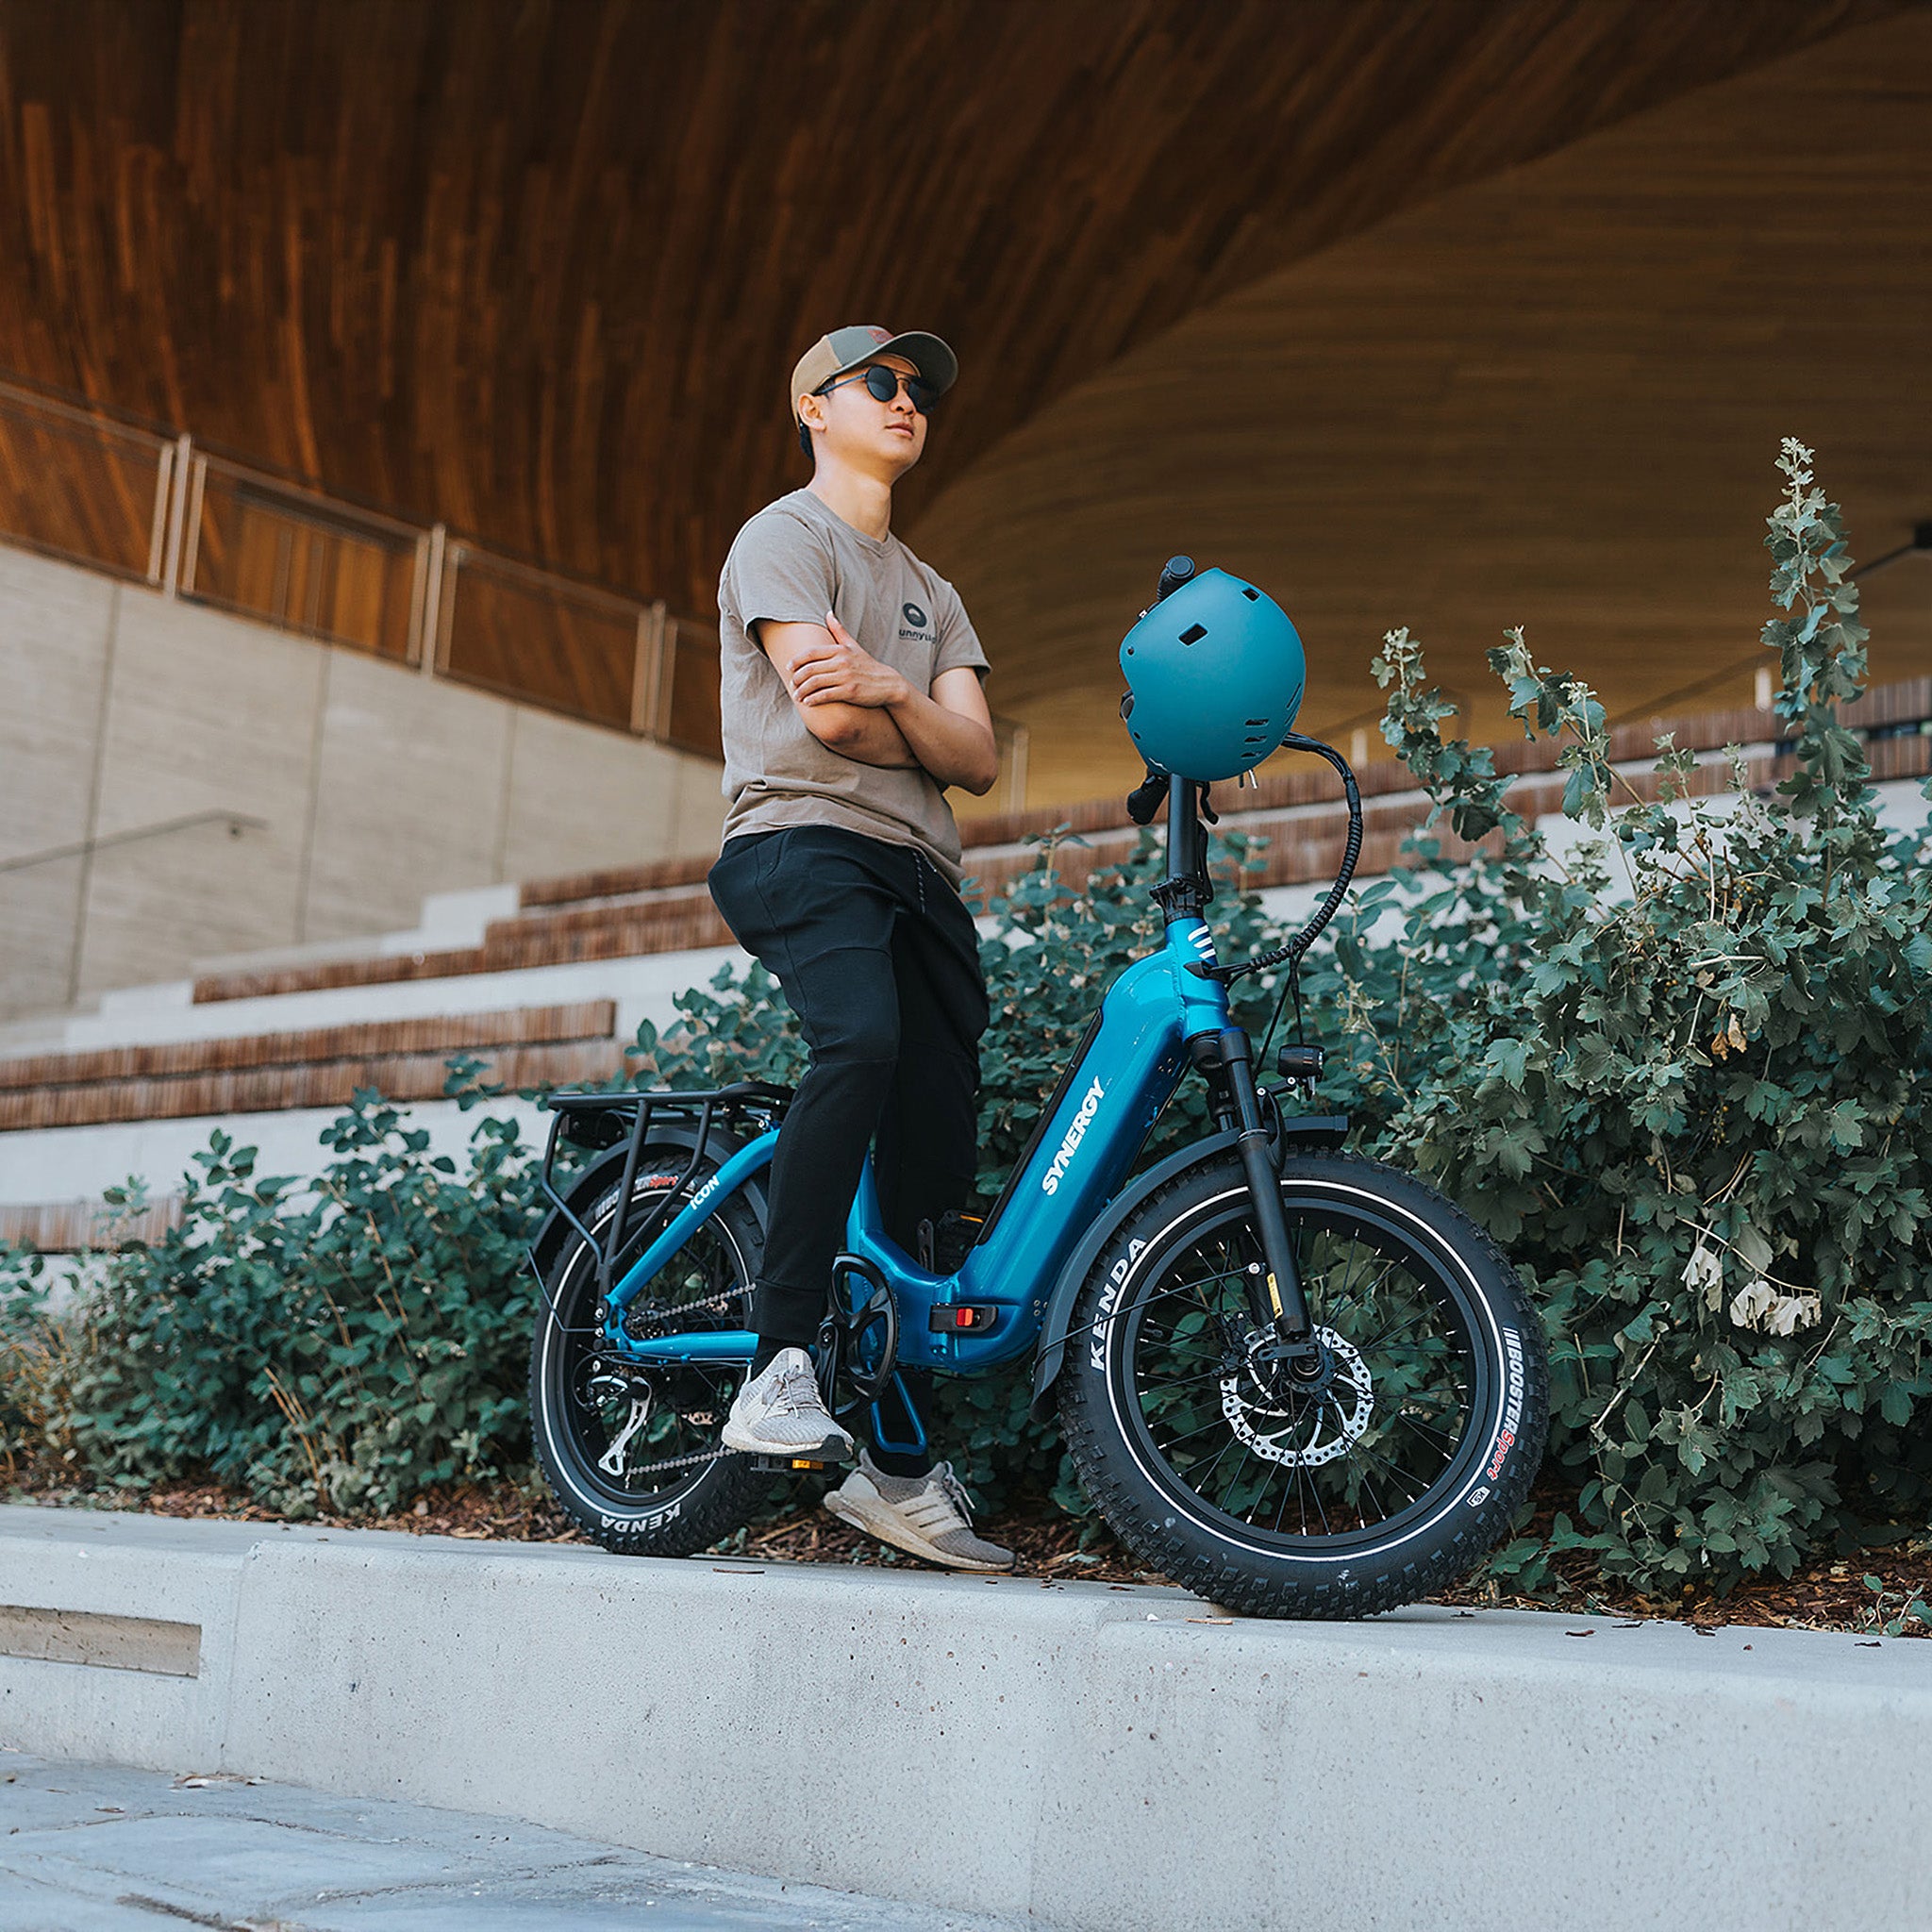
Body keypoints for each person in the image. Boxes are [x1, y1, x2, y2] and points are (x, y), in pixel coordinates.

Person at [706, 325, 1013, 1573]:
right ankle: (780, 1362)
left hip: (919, 873)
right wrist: (908, 705)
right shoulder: (784, 539)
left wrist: (888, 688)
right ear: (811, 407)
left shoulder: (934, 594)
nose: (905, 401)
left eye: (918, 390)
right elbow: (822, 722)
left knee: (935, 1147)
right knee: (862, 1039)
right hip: (799, 843)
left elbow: (979, 761)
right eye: (877, 383)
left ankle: (889, 1458)